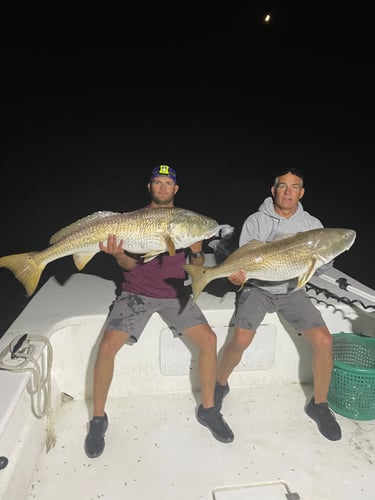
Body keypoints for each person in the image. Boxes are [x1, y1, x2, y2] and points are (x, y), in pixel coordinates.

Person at [84, 164, 234, 458]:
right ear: (150, 187)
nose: (163, 187)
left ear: (176, 189)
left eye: (168, 183)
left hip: (174, 293)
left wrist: (196, 249)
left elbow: (198, 270)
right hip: (135, 291)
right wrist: (118, 254)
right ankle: (98, 420)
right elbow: (130, 266)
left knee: (209, 340)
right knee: (105, 348)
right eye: (158, 182)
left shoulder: (184, 222)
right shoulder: (135, 220)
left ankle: (208, 410)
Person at [215, 168, 342, 441]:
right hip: (257, 288)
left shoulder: (312, 224)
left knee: (323, 340)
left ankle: (319, 404)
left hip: (293, 291)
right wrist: (239, 277)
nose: (288, 192)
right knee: (240, 337)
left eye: (294, 187)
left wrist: (322, 261)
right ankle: (219, 384)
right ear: (274, 190)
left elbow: (319, 268)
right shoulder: (256, 221)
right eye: (282, 186)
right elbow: (245, 260)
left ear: (301, 192)